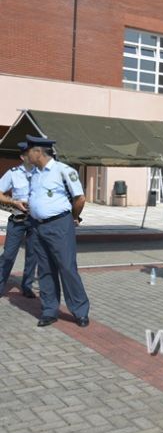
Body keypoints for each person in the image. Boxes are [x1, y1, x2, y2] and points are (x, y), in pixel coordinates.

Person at [19, 135, 90, 327]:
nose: (27, 155)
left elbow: (80, 198)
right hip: (37, 225)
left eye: (29, 151)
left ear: (38, 152)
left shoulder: (63, 170)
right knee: (45, 270)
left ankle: (80, 311)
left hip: (59, 224)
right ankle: (50, 310)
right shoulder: (35, 173)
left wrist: (74, 217)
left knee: (67, 268)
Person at [0, 142, 38, 298]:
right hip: (17, 218)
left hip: (36, 220)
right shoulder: (13, 173)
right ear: (23, 156)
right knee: (8, 254)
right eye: (30, 153)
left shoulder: (42, 173)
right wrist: (13, 202)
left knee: (32, 254)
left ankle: (27, 286)